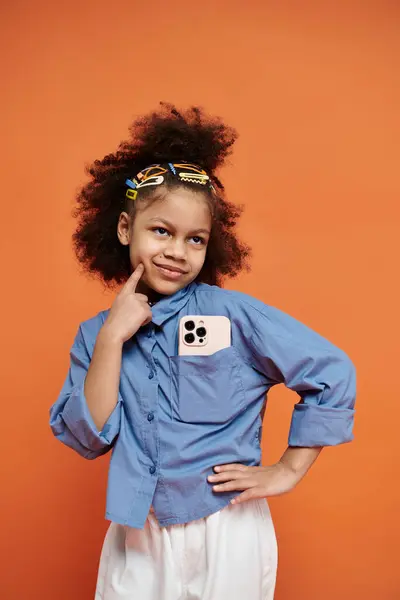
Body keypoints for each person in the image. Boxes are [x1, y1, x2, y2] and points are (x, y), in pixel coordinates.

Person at [50, 103, 356, 600]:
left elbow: (331, 372)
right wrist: (112, 338)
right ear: (126, 229)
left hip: (227, 527)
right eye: (161, 231)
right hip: (139, 530)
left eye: (196, 239)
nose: (177, 251)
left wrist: (288, 469)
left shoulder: (232, 315)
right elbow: (88, 437)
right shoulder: (94, 335)